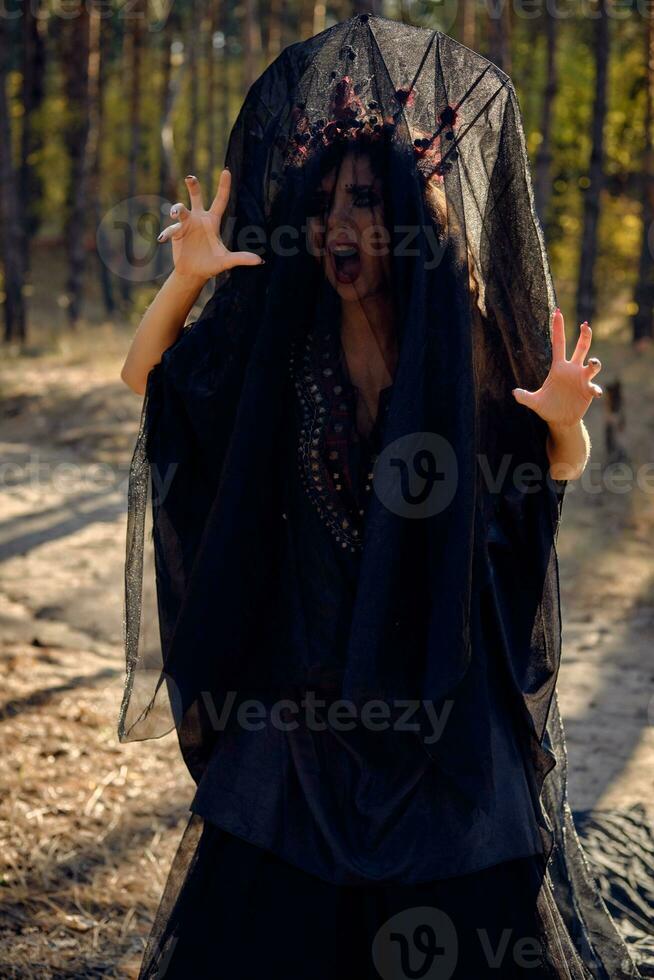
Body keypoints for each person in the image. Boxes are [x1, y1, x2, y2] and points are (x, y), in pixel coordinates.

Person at [118, 15, 642, 979]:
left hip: (441, 687)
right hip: (304, 698)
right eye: (322, 204)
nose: (338, 227)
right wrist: (186, 281)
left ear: (409, 214)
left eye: (364, 201)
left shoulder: (465, 342)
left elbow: (547, 480)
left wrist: (564, 419)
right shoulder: (288, 338)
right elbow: (148, 379)